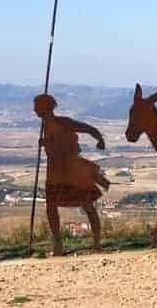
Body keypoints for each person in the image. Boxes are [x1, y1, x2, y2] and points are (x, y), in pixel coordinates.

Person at [34, 93, 110, 255]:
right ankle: (58, 245)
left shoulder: (64, 123)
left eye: (36, 106)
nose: (34, 109)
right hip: (54, 172)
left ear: (44, 108)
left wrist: (99, 139)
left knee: (87, 204)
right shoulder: (45, 127)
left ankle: (97, 244)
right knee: (51, 206)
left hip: (71, 171)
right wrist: (46, 143)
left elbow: (88, 128)